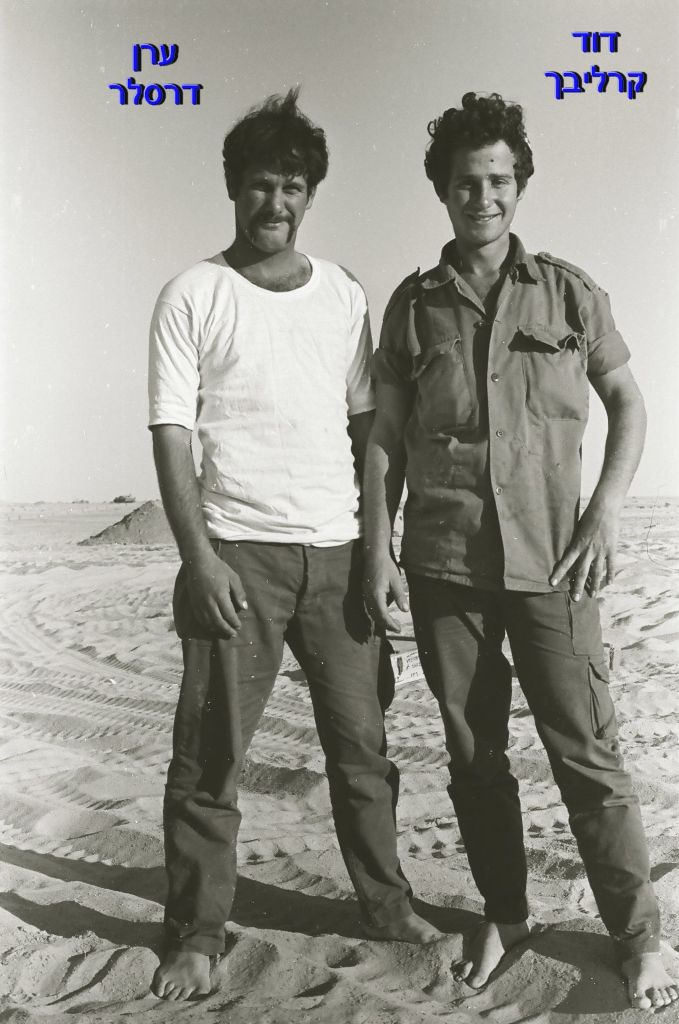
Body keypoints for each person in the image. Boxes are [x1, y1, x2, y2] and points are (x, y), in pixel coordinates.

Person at [363, 91, 678, 1011]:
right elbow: (383, 438)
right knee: (474, 757)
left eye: (498, 180)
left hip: (554, 563)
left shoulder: (569, 292)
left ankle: (636, 937)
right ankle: (505, 913)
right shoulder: (413, 305)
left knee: (586, 755)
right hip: (443, 567)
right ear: (443, 191)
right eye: (466, 182)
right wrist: (377, 547)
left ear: (519, 185)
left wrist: (605, 510)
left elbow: (628, 403)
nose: (483, 197)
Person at [147, 88, 438, 1003]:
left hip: (339, 555)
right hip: (238, 555)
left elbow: (368, 431)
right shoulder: (192, 293)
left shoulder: (343, 293)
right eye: (260, 184)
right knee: (211, 756)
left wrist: (376, 549)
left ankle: (387, 908)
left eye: (292, 186)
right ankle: (195, 934)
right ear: (233, 186)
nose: (275, 202)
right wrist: (199, 558)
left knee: (363, 751)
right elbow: (172, 434)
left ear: (310, 194)